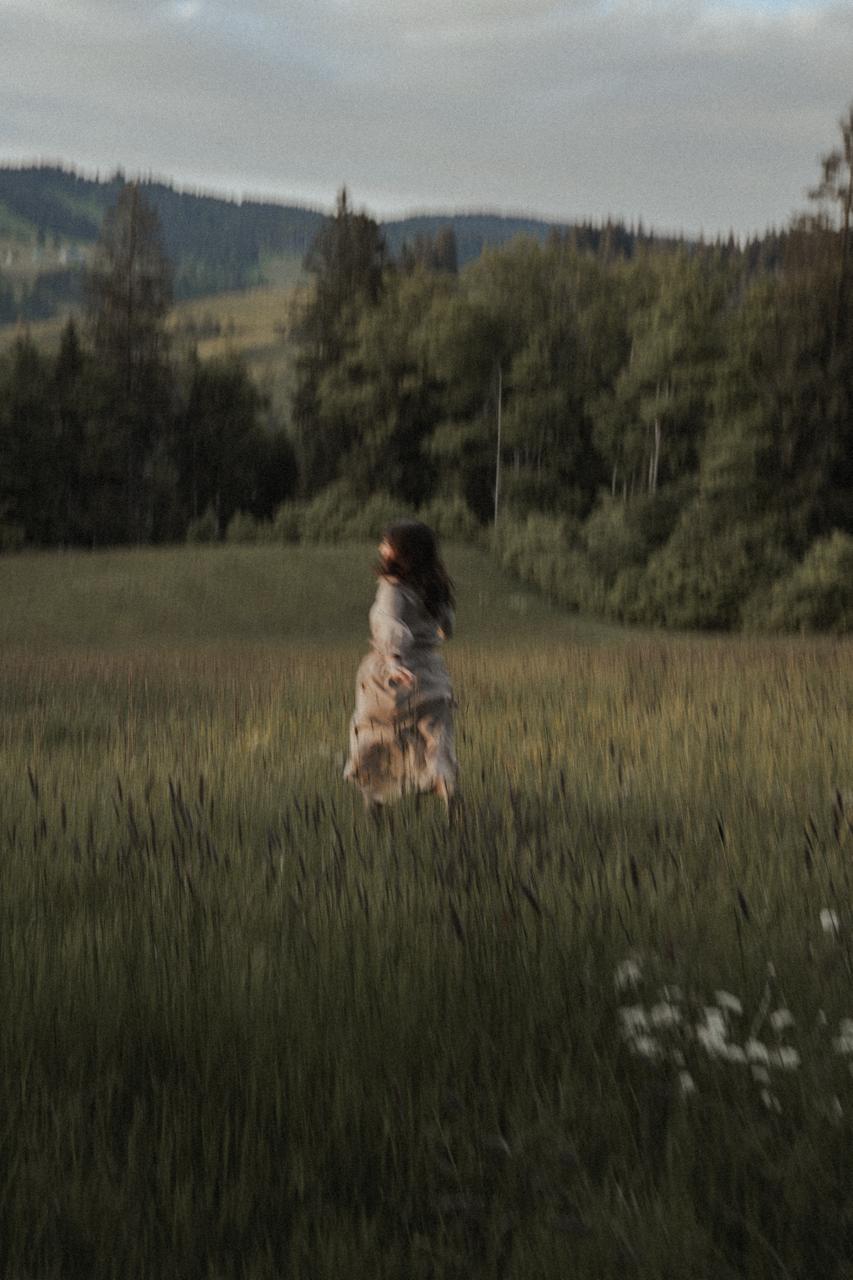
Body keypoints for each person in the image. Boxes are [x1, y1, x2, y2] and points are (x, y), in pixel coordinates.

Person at [344, 519, 459, 817]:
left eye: (387, 543)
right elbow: (447, 626)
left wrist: (393, 662)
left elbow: (388, 623)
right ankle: (445, 787)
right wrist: (431, 634)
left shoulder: (392, 588)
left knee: (375, 735)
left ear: (403, 552)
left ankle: (376, 810)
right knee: (435, 739)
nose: (381, 548)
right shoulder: (435, 586)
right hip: (431, 674)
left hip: (392, 674)